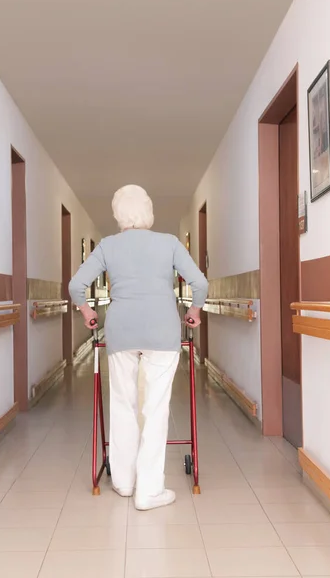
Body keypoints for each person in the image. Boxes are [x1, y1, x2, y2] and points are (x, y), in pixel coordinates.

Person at [69, 185, 208, 511]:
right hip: (163, 332)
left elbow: (76, 285)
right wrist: (194, 311)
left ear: (119, 214)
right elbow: (199, 283)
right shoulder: (169, 243)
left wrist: (87, 311)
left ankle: (124, 482)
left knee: (123, 404)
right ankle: (150, 489)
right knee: (155, 408)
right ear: (147, 211)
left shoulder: (107, 246)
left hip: (121, 332)